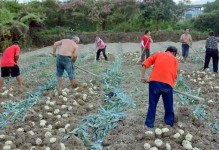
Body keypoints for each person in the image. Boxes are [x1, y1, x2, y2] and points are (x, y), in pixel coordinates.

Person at [141, 46, 178, 128]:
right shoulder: (175, 60)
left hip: (154, 83)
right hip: (168, 84)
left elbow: (144, 64)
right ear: (173, 53)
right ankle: (169, 123)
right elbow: (175, 76)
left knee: (152, 104)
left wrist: (143, 77)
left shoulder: (158, 54)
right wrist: (170, 85)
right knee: (169, 105)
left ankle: (149, 124)